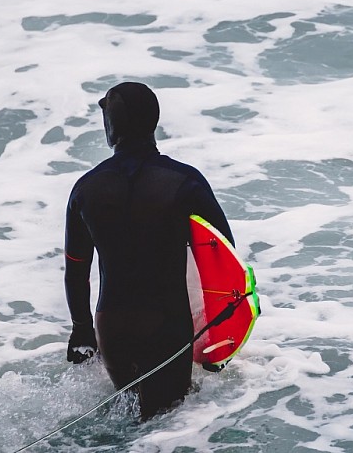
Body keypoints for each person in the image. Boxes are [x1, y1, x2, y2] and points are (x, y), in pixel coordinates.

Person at [63, 81, 233, 419]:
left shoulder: (86, 189)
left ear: (111, 126)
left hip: (111, 325)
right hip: (165, 322)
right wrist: (221, 339)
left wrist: (82, 329)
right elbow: (222, 257)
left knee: (130, 419)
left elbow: (76, 268)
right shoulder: (184, 182)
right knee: (166, 426)